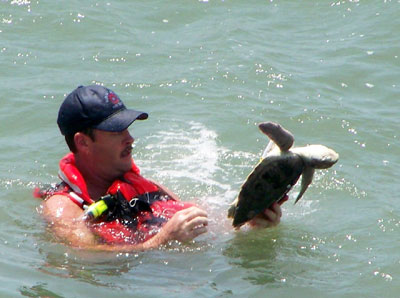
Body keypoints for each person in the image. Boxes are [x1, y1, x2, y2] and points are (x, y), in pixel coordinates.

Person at [37, 85, 283, 251]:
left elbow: (205, 223)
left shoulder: (144, 186)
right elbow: (87, 256)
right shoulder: (62, 206)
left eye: (128, 128)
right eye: (117, 131)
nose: (130, 138)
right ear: (83, 142)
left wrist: (251, 221)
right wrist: (161, 241)